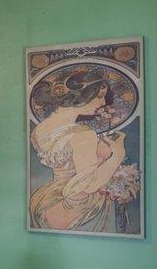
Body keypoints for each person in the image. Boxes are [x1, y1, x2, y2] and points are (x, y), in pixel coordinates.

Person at [29, 67, 130, 233]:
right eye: (99, 96)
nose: (103, 102)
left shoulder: (40, 129)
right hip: (81, 207)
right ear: (82, 97)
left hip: (49, 198)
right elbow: (87, 186)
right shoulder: (83, 134)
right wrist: (117, 156)